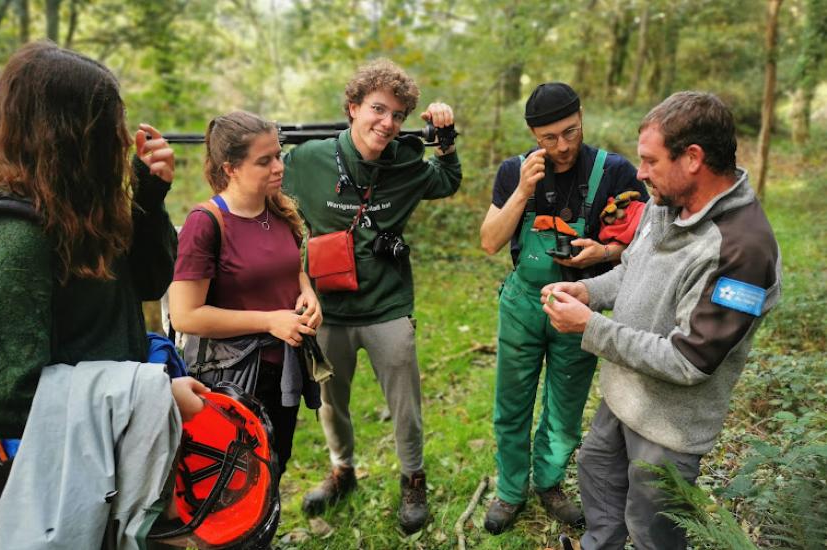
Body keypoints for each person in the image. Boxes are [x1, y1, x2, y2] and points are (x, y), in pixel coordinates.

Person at [0, 41, 207, 548]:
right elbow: (1, 397)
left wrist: (148, 196)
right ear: (67, 137)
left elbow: (149, 284)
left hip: (110, 456)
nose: (121, 139)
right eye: (109, 128)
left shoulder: (83, 210)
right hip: (55, 478)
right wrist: (152, 397)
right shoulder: (12, 237)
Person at [541, 91, 782, 549]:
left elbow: (691, 362)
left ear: (692, 158)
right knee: (598, 478)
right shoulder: (665, 200)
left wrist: (590, 327)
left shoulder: (742, 250)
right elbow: (633, 267)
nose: (639, 173)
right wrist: (589, 292)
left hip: (670, 427)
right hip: (624, 396)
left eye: (650, 161)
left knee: (654, 531)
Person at [282, 58, 461, 533]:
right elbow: (265, 196)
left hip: (387, 306)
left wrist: (444, 139)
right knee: (329, 400)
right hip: (327, 308)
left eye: (398, 115)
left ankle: (412, 477)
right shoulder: (306, 160)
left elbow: (446, 181)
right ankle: (343, 470)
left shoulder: (405, 160)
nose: (387, 123)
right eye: (378, 109)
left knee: (405, 402)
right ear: (353, 107)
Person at [479, 82, 648, 534]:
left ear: (581, 118)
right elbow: (490, 241)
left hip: (582, 303)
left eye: (570, 132)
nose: (562, 146)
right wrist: (521, 192)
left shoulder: (614, 171)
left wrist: (605, 254)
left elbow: (646, 244)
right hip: (522, 303)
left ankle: (549, 482)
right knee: (512, 402)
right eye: (548, 138)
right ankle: (511, 490)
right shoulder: (514, 170)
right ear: (534, 136)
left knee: (566, 404)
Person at [168, 110, 323, 476]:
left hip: (284, 367)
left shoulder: (278, 210)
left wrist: (308, 294)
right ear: (230, 168)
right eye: (264, 160)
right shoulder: (205, 223)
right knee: (233, 475)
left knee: (275, 463)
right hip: (232, 377)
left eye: (278, 155)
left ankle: (264, 531)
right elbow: (185, 315)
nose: (278, 167)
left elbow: (291, 269)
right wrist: (269, 321)